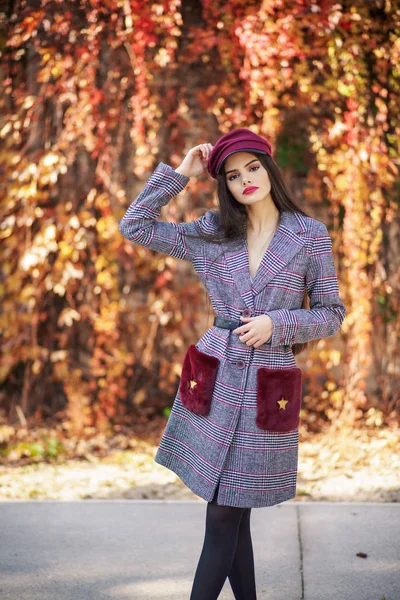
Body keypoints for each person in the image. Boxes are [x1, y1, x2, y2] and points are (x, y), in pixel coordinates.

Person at [118, 128, 346, 600]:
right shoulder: (213, 233)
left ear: (269, 168)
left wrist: (276, 324)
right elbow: (134, 225)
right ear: (223, 183)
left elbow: (331, 312)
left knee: (226, 510)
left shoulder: (308, 235)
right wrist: (180, 174)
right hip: (217, 375)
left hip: (269, 381)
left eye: (253, 167)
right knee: (228, 509)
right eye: (233, 174)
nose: (246, 180)